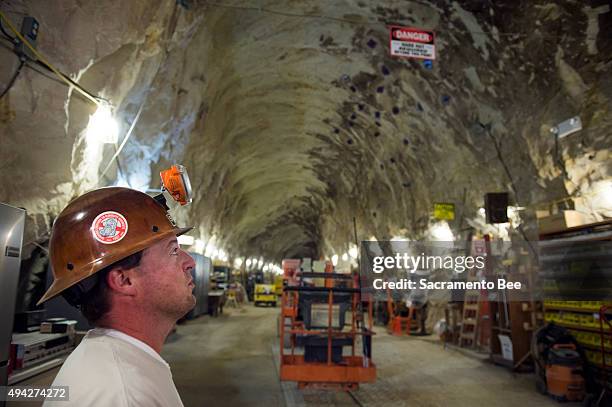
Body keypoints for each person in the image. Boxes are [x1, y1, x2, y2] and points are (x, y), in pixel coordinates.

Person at [39, 187, 195, 407]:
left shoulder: (118, 364)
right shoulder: (123, 395)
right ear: (124, 281)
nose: (190, 262)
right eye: (173, 251)